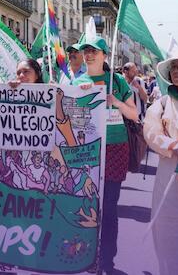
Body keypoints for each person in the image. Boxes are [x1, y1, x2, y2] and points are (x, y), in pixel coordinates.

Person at [71, 36, 138, 275]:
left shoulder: (117, 80)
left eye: (94, 51)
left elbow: (134, 115)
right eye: (85, 51)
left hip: (115, 149)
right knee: (86, 207)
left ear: (104, 55)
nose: (88, 55)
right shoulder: (77, 81)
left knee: (109, 208)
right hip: (87, 150)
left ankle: (107, 259)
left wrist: (116, 102)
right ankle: (87, 255)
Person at [143, 49, 178, 275]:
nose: (176, 71)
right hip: (170, 171)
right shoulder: (162, 102)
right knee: (167, 227)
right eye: (173, 67)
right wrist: (173, 146)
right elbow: (150, 132)